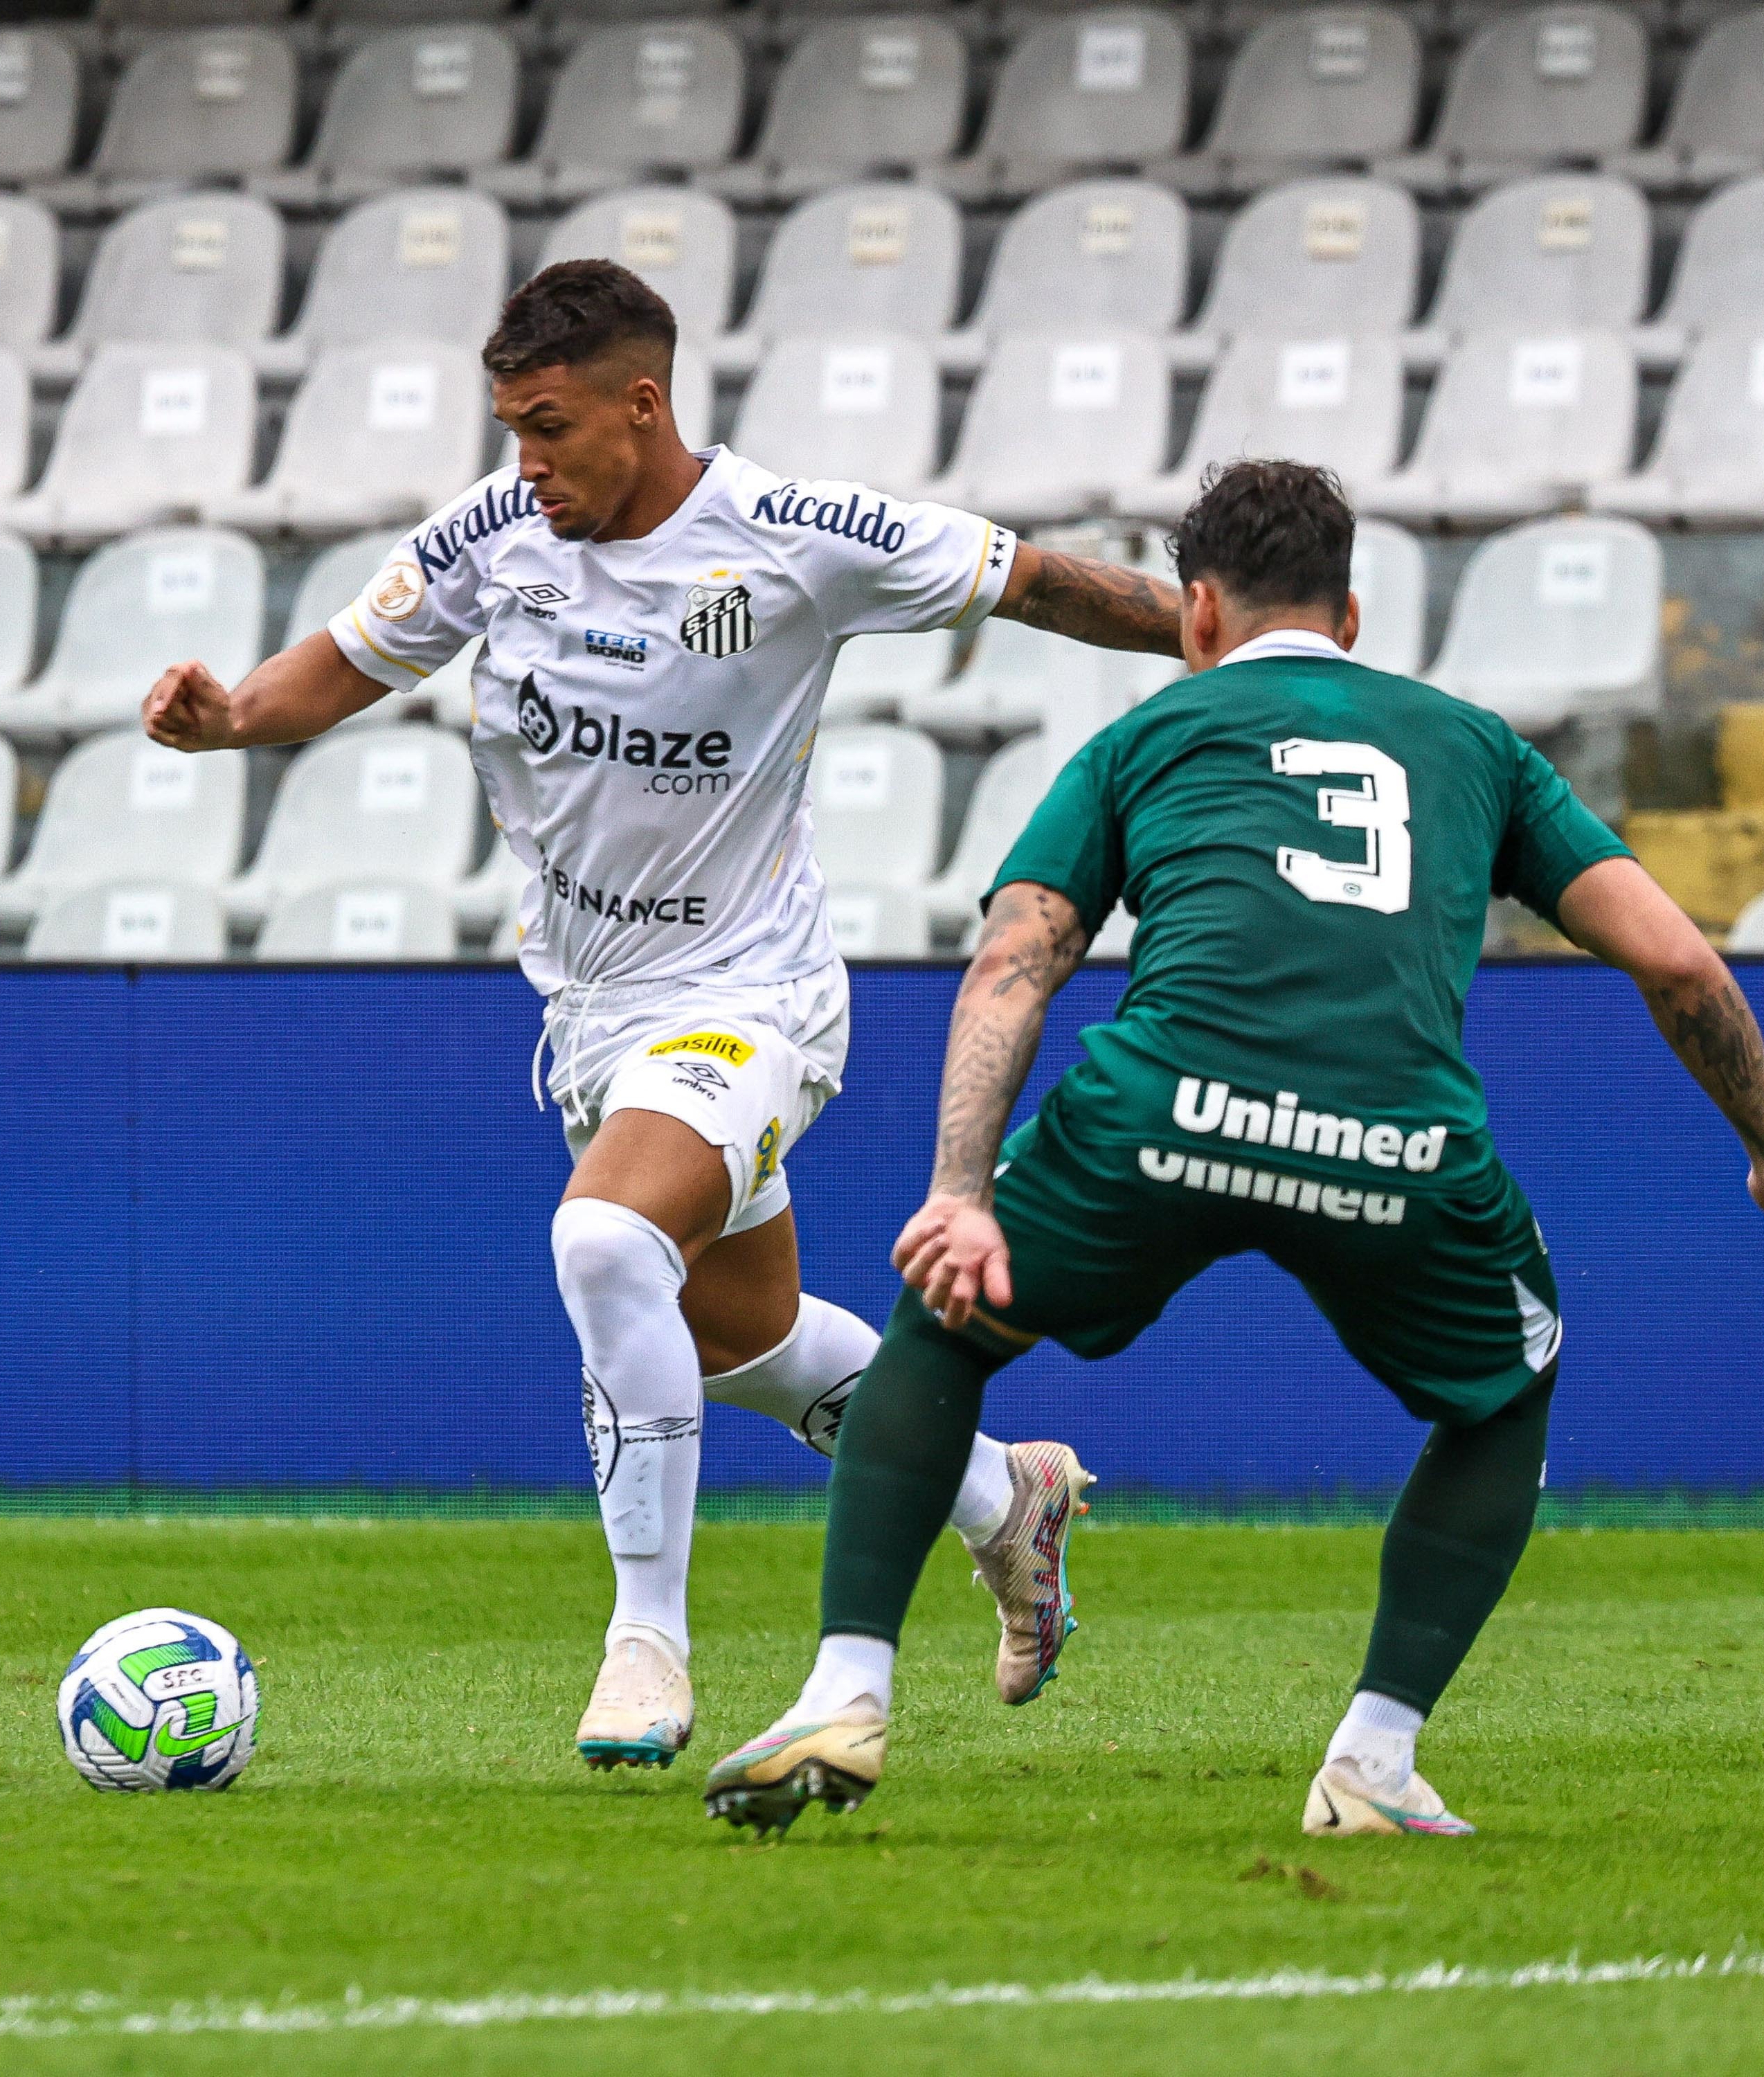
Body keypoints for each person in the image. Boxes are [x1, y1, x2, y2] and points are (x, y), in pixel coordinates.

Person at [703, 460, 1764, 1840]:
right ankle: (1373, 1761)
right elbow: (1678, 964)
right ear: (1355, 614)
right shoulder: (1479, 745)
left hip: (1163, 1116)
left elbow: (1017, 960)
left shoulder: (1145, 741)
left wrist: (960, 1195)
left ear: (1196, 611)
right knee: (1506, 1394)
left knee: (943, 1330)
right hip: (1396, 1141)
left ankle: (847, 1691)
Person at [143, 260, 1184, 1770]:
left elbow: (1040, 583)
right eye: (510, 430)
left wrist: (1226, 644)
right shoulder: (499, 539)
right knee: (738, 1342)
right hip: (592, 1017)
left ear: (644, 403)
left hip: (749, 999)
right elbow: (348, 661)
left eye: (551, 427)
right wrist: (229, 717)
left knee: (602, 1242)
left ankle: (649, 1644)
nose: (528, 463)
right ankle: (1002, 1501)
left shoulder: (795, 538)